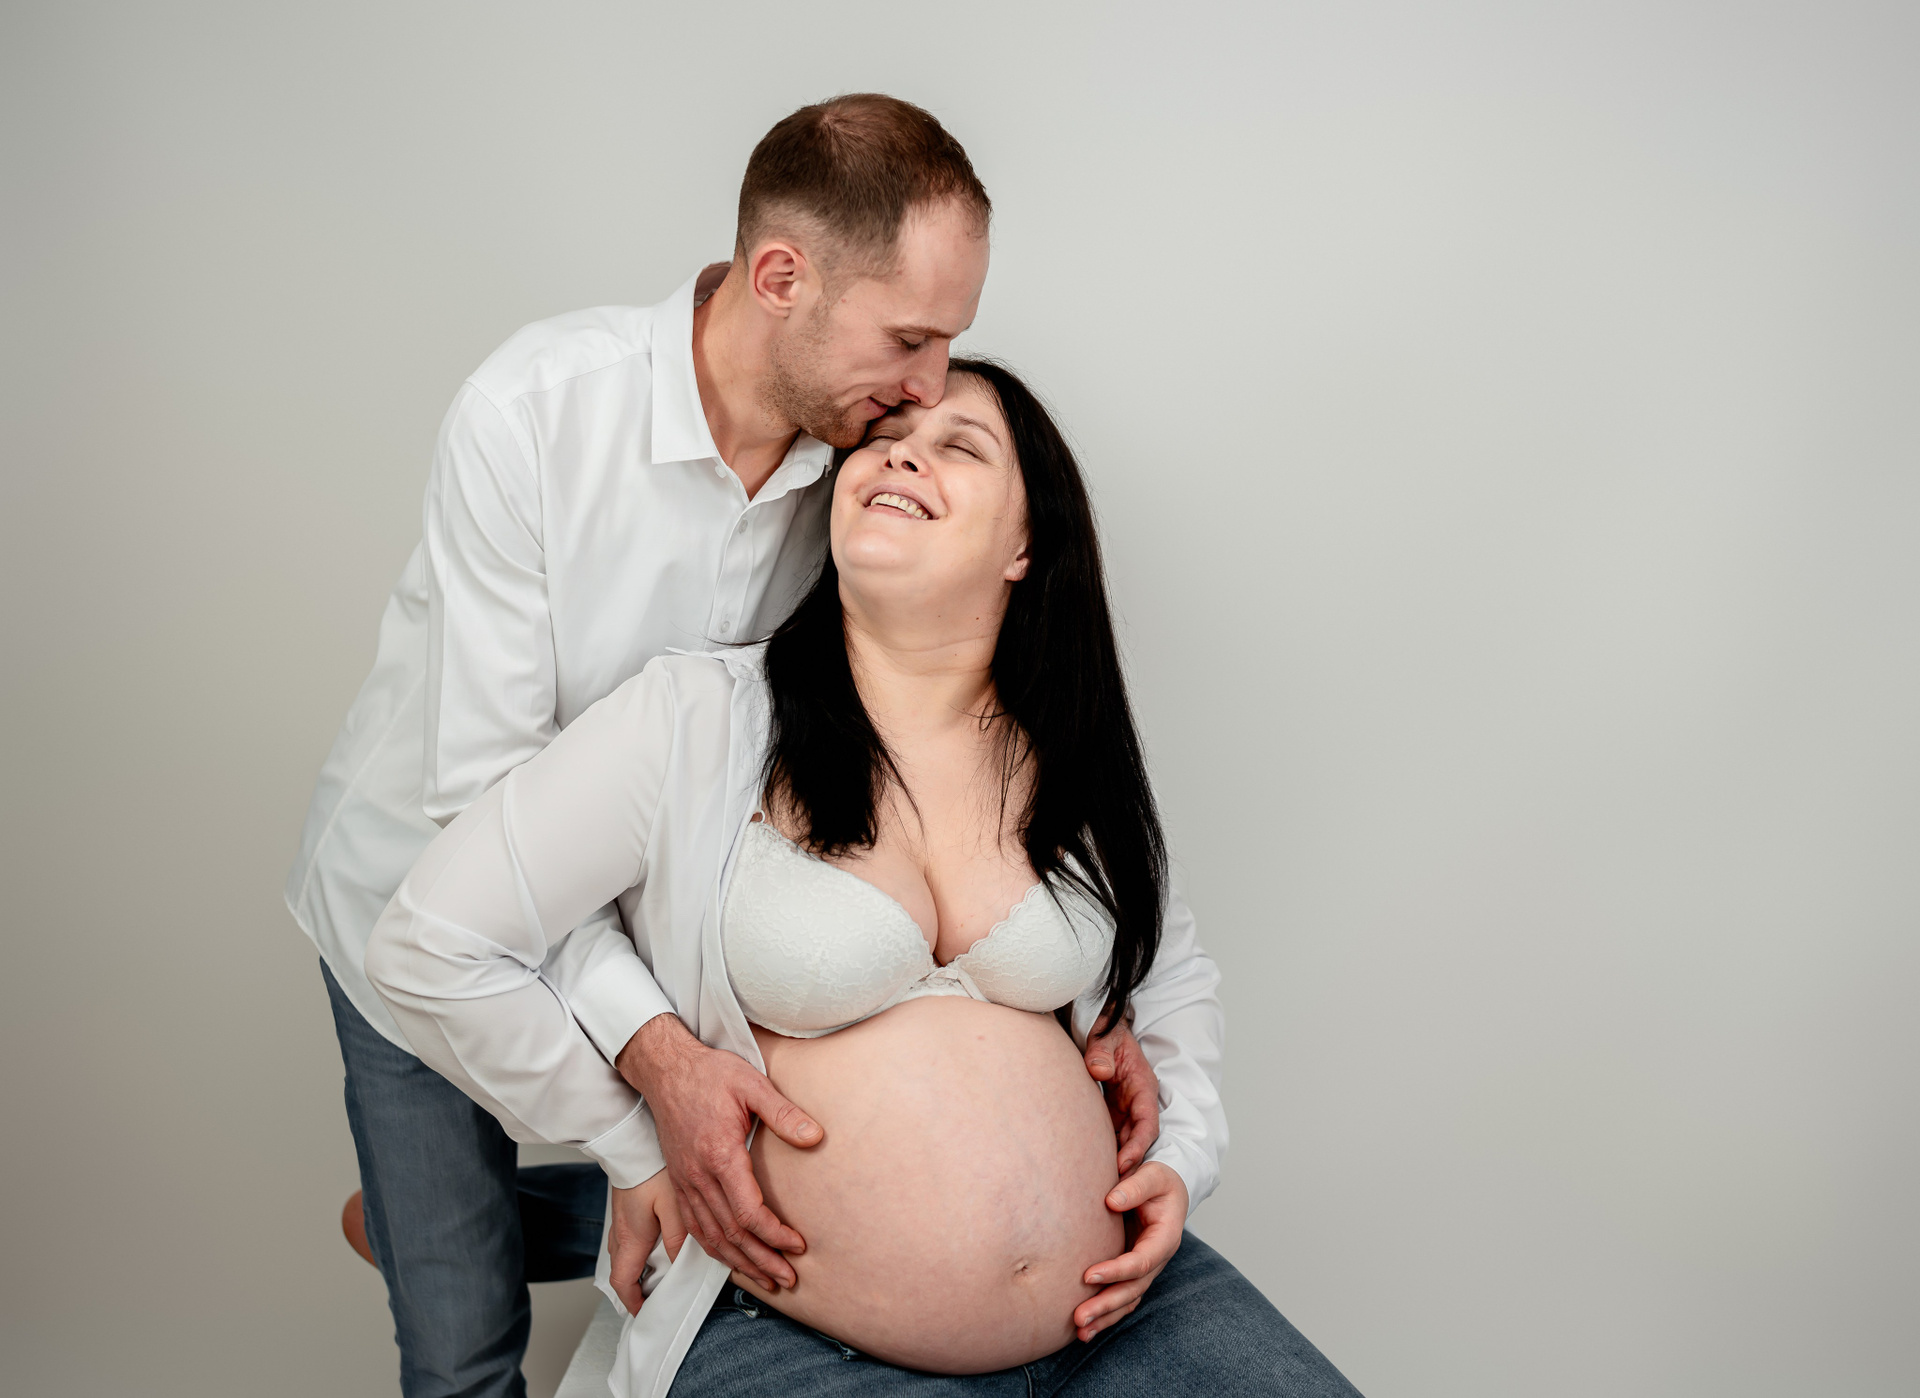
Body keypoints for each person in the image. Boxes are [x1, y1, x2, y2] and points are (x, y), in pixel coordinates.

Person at [285, 95, 1162, 1398]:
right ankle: (465, 1228)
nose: (929, 386)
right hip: (430, 898)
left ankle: (535, 1220)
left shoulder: (859, 463)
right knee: (463, 1345)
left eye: (949, 343)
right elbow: (480, 818)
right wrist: (653, 1067)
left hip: (653, 904)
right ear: (781, 279)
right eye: (910, 339)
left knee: (685, 1187)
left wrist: (1082, 1001)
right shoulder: (531, 416)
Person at [367, 361, 1364, 1396]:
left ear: (1027, 547)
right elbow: (432, 940)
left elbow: (1173, 976)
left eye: (959, 446)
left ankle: (542, 1217)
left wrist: (1180, 1159)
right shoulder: (696, 719)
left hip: (1121, 1309)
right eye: (883, 440)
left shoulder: (1071, 755)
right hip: (790, 1321)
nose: (901, 456)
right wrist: (637, 1145)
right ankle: (530, 1215)